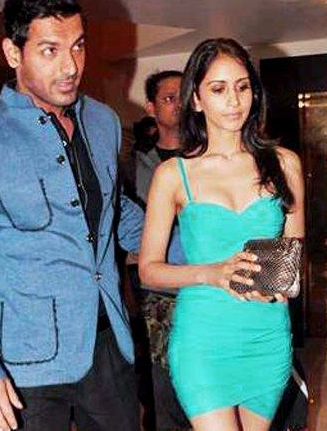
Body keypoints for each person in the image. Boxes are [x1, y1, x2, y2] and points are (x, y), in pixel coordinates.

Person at [0, 0, 143, 431]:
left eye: (78, 46)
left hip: (109, 347)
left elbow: (116, 213)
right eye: (50, 50)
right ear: (13, 53)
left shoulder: (103, 121)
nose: (71, 66)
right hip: (25, 365)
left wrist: (200, 251)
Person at [139, 38, 304, 431]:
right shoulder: (173, 174)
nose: (234, 101)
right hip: (203, 340)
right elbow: (149, 270)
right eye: (218, 89)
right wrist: (211, 273)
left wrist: (284, 281)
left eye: (242, 87)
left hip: (266, 337)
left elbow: (294, 255)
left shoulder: (284, 164)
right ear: (196, 99)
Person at [124, 70, 190, 430]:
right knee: (164, 391)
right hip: (158, 293)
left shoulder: (211, 156)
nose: (179, 104)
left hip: (211, 287)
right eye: (169, 98)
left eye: (184, 95)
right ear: (151, 107)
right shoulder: (134, 166)